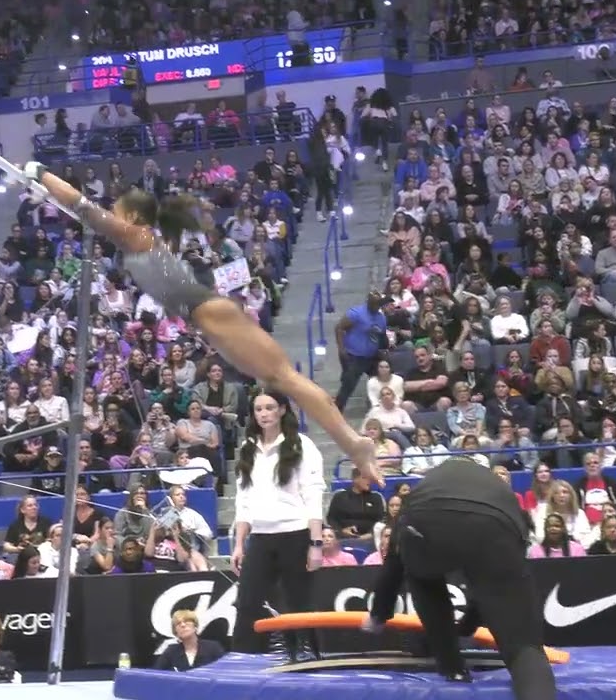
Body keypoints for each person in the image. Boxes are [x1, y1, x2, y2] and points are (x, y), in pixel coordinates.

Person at [22, 162, 381, 485]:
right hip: (207, 318)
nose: (112, 214)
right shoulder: (140, 241)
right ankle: (352, 443)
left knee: (284, 377)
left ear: (132, 217)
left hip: (209, 311)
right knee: (278, 378)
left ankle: (353, 443)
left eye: (118, 211)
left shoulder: (136, 236)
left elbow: (82, 206)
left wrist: (39, 172)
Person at [364, 460, 556, 700]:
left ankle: (451, 664)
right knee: (525, 649)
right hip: (492, 525)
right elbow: (492, 588)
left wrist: (378, 616)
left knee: (422, 578)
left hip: (424, 520)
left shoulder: (426, 488)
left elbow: (395, 563)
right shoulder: (506, 505)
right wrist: (470, 626)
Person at [229, 392, 326, 657]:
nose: (263, 413)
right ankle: (242, 659)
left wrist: (316, 543)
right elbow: (244, 500)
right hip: (260, 536)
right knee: (247, 602)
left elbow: (313, 494)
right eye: (258, 409)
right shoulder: (248, 447)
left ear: (282, 409)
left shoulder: (302, 445)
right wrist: (239, 544)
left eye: (270, 407)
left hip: (295, 534)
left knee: (298, 603)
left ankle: (306, 656)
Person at [154, 609, 226, 670]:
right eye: (178, 624)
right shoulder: (171, 651)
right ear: (175, 632)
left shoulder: (213, 647)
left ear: (195, 627)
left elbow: (224, 671)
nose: (183, 625)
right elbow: (157, 673)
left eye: (187, 621)